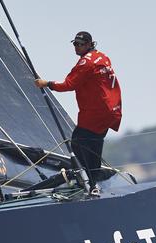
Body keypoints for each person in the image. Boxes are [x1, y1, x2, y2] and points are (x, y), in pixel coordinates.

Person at [35, 31, 122, 193]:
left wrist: (46, 83)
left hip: (96, 112)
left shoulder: (86, 63)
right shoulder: (103, 57)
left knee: (77, 141)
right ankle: (93, 180)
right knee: (93, 144)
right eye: (75, 44)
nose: (77, 47)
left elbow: (68, 84)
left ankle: (89, 182)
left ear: (90, 44)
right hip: (111, 110)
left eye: (81, 44)